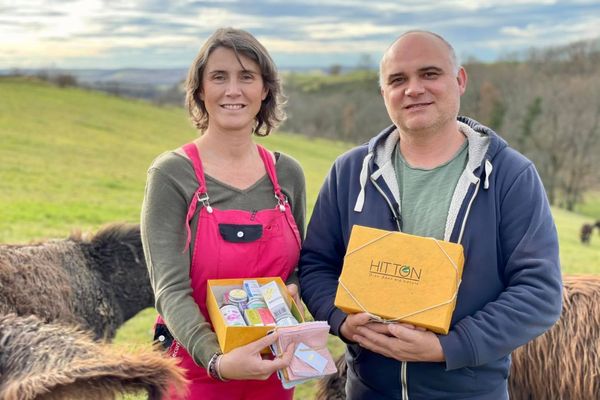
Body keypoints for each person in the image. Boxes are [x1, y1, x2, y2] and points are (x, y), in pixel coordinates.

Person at [298, 30, 562, 399]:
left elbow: (539, 293)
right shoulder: (348, 172)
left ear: (460, 80)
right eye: (397, 80)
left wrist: (448, 347)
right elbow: (316, 265)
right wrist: (342, 321)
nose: (414, 89)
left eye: (430, 74)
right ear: (383, 94)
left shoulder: (510, 175)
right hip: (368, 391)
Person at [141, 27, 306, 399]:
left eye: (247, 76)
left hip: (272, 366)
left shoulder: (288, 175)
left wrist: (293, 289)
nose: (233, 90)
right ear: (200, 90)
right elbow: (170, 290)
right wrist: (217, 360)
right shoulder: (172, 174)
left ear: (265, 89)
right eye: (219, 77)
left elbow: (297, 265)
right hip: (193, 369)